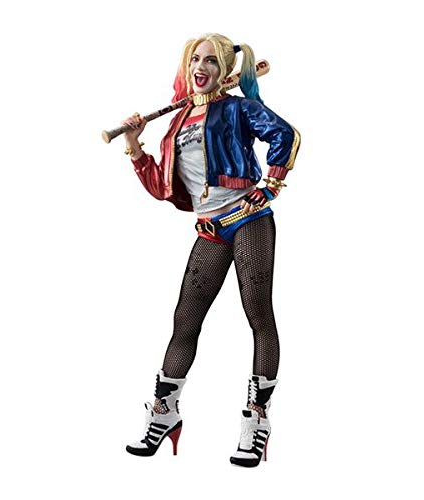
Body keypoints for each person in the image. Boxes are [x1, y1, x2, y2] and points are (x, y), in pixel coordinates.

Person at [121, 33, 300, 467]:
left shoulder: (236, 108)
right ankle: (165, 412)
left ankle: (257, 419)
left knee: (258, 314)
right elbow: (162, 187)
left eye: (212, 61)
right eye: (195, 60)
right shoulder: (177, 124)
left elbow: (286, 135)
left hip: (248, 219)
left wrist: (270, 186)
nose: (201, 67)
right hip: (210, 229)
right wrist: (134, 144)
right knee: (185, 320)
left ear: (224, 70)